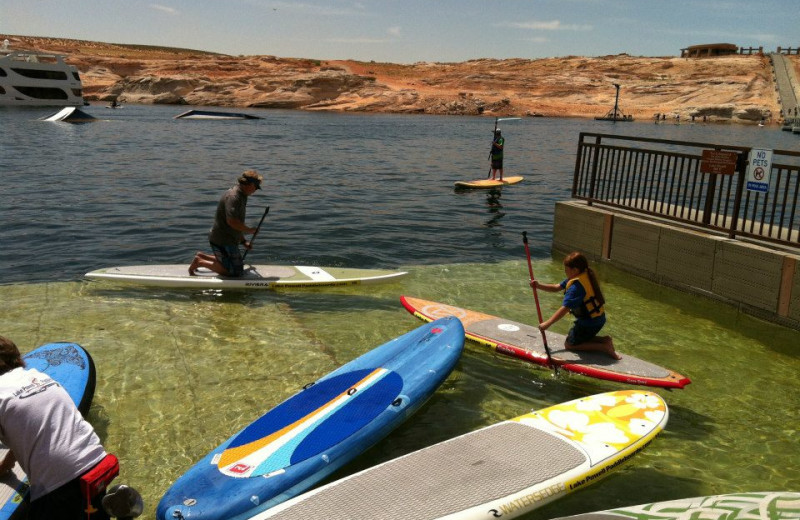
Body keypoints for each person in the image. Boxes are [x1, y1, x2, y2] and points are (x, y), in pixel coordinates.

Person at [0, 336, 113, 519]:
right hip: (96, 465)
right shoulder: (38, 376)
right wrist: (7, 464)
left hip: (58, 486)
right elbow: (28, 427)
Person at [531, 252, 621, 360]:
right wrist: (538, 285)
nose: (565, 272)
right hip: (598, 319)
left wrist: (547, 324)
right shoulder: (583, 275)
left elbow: (565, 308)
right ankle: (605, 340)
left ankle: (603, 347)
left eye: (566, 269)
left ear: (575, 270)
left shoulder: (576, 287)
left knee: (569, 344)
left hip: (590, 323)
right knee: (572, 337)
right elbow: (556, 287)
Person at [189, 169, 263, 277]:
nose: (256, 190)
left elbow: (237, 223)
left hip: (228, 238)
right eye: (256, 187)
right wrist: (250, 230)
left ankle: (201, 256)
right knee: (236, 272)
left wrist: (243, 241)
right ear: (250, 184)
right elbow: (232, 221)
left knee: (235, 264)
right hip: (222, 240)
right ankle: (200, 262)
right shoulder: (234, 197)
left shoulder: (242, 196)